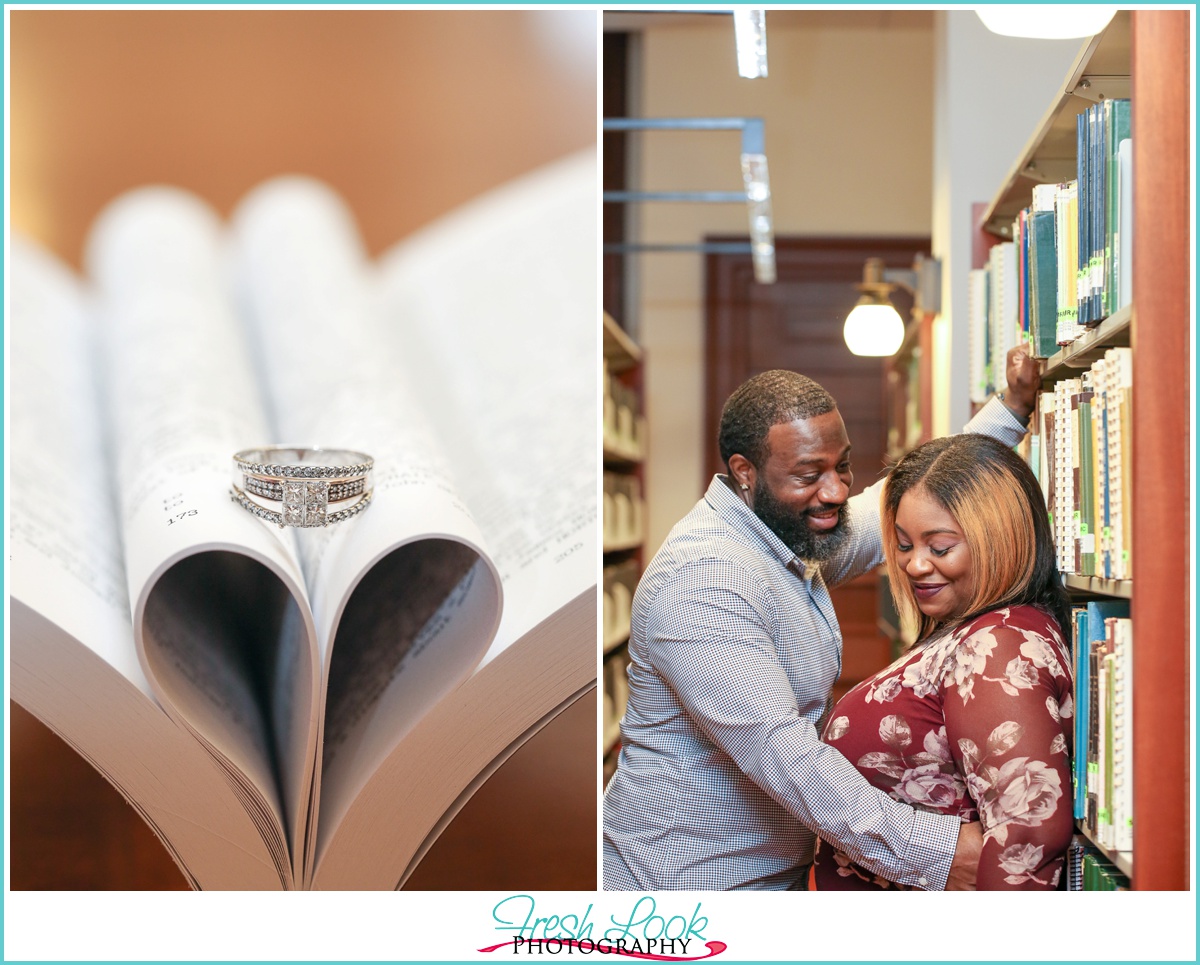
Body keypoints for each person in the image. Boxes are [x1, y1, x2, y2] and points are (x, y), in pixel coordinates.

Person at [603, 345, 1040, 891]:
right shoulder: (704, 580)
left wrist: (1012, 412)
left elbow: (892, 504)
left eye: (842, 466)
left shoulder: (785, 535)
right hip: (687, 890)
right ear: (745, 472)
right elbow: (788, 760)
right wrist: (942, 853)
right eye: (810, 474)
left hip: (766, 874)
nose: (835, 491)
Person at [813, 433, 1073, 890]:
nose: (914, 565)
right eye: (904, 544)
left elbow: (1028, 839)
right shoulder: (975, 630)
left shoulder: (997, 647)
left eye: (939, 547)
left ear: (998, 540)